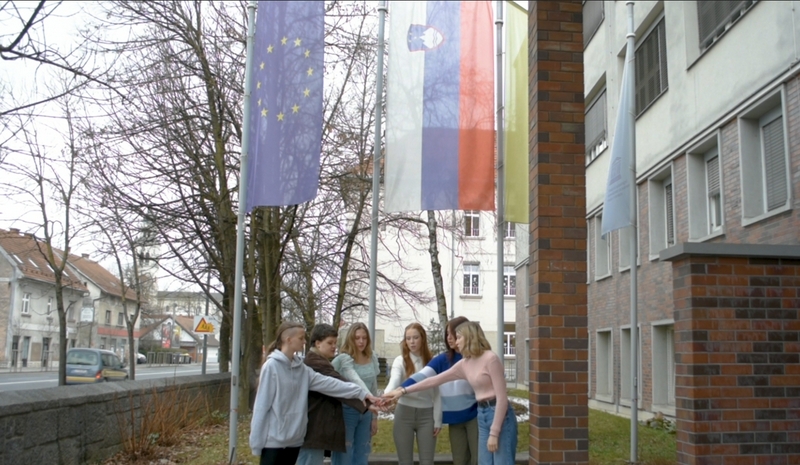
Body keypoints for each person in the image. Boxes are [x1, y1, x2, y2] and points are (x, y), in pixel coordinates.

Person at [384, 321, 518, 465]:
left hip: (498, 414)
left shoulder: (490, 359)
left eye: (458, 337)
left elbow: (502, 398)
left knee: (501, 461)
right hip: (482, 414)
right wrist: (403, 390)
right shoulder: (464, 363)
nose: (455, 341)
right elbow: (433, 380)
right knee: (484, 462)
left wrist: (494, 433)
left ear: (469, 337)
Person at [249, 322, 380, 465]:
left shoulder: (302, 369)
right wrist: (256, 443)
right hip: (274, 442)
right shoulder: (272, 366)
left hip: (295, 440)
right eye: (301, 338)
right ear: (288, 340)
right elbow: (261, 406)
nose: (304, 341)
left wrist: (361, 393)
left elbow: (331, 384)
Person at [400, 316, 478, 465]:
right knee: (459, 460)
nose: (449, 338)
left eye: (453, 333)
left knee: (478, 459)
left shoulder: (474, 358)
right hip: (455, 420)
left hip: (475, 416)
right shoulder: (442, 359)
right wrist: (401, 390)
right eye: (447, 334)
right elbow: (422, 376)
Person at [297, 324, 372, 465]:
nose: (334, 346)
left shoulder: (319, 361)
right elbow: (339, 385)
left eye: (335, 343)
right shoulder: (316, 363)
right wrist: (367, 400)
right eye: (330, 343)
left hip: (315, 429)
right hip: (312, 429)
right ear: (318, 343)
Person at [384, 322, 442, 465]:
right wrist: (386, 395)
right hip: (404, 414)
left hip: (427, 416)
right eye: (408, 338)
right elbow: (394, 381)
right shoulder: (400, 361)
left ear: (423, 338)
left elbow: (437, 393)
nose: (412, 342)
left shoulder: (432, 362)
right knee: (405, 461)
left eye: (415, 338)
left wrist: (438, 419)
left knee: (427, 461)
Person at [331, 322, 381, 465]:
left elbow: (373, 386)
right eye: (357, 338)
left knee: (362, 452)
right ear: (351, 339)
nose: (361, 341)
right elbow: (330, 381)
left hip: (366, 412)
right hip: (347, 411)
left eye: (364, 338)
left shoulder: (372, 357)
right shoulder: (342, 359)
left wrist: (374, 417)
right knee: (344, 454)